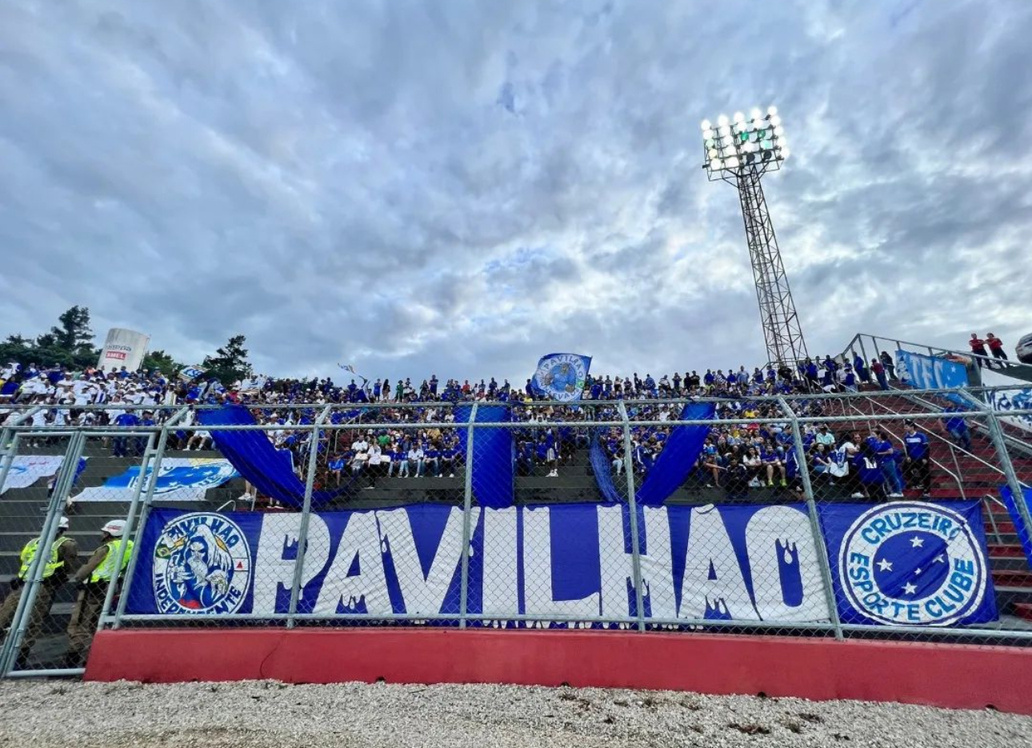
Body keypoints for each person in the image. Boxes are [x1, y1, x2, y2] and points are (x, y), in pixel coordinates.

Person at [0, 516, 80, 669]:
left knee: (32, 621)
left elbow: (69, 565)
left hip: (43, 585)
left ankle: (19, 659)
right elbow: (25, 560)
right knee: (5, 614)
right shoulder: (34, 542)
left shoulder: (66, 544)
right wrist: (19, 576)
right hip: (24, 583)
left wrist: (58, 578)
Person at [65, 519, 133, 668]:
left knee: (81, 622)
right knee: (95, 622)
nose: (102, 534)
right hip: (111, 587)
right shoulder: (130, 545)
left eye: (105, 531)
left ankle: (73, 660)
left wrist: (78, 578)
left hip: (93, 587)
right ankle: (89, 657)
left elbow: (90, 566)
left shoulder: (106, 548)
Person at [902, 420, 931, 497]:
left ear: (912, 427)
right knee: (905, 469)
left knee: (925, 474)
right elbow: (907, 448)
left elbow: (926, 448)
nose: (905, 428)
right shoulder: (906, 437)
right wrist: (908, 456)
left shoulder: (921, 436)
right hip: (912, 458)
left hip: (922, 458)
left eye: (906, 427)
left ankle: (927, 490)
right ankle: (916, 482)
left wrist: (925, 458)